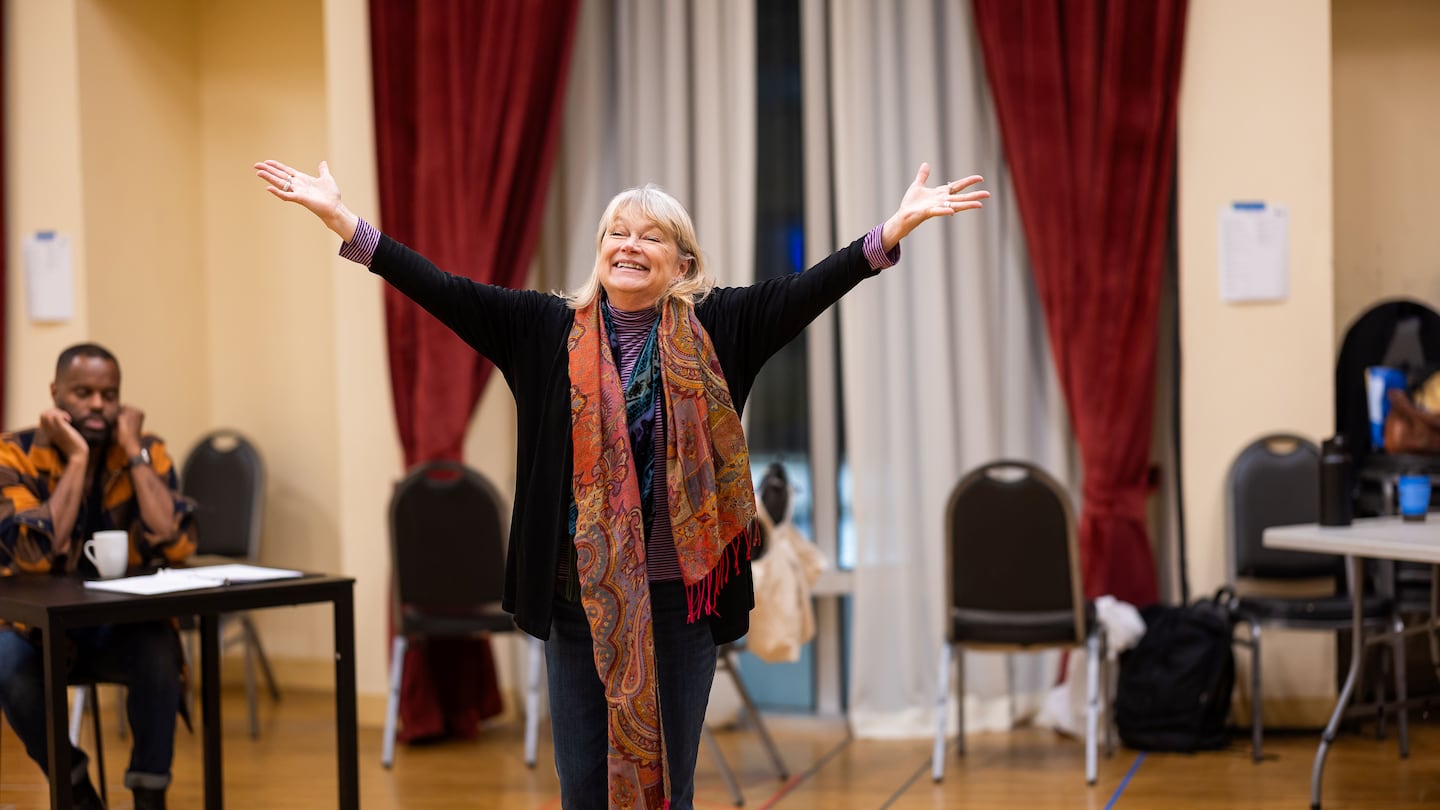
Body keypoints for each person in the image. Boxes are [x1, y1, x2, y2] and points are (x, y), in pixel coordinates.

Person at [255, 157, 987, 809]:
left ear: (682, 262)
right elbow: (442, 289)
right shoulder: (542, 329)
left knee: (671, 789)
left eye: (650, 236)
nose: (629, 245)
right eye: (617, 232)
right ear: (601, 250)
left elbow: (812, 286)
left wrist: (893, 229)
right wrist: (346, 222)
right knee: (583, 793)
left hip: (680, 607)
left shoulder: (722, 329)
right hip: (578, 607)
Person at [0, 343, 197, 810]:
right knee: (3, 661)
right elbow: (33, 553)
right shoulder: (15, 454)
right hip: (38, 634)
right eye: (83, 392)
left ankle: (151, 794)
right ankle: (75, 787)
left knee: (158, 645)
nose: (97, 405)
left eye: (109, 395)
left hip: (118, 630)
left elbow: (176, 541)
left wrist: (132, 451)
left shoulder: (146, 451)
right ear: (56, 393)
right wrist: (77, 460)